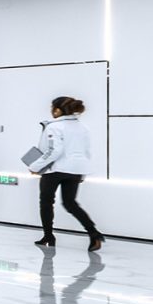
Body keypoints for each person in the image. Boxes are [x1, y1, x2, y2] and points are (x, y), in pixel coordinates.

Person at [30, 95, 103, 251]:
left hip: (55, 170)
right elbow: (86, 152)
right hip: (76, 170)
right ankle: (94, 233)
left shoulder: (53, 126)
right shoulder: (82, 127)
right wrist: (82, 172)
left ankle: (48, 236)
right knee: (70, 203)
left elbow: (53, 151)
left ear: (57, 110)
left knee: (46, 202)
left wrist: (35, 166)